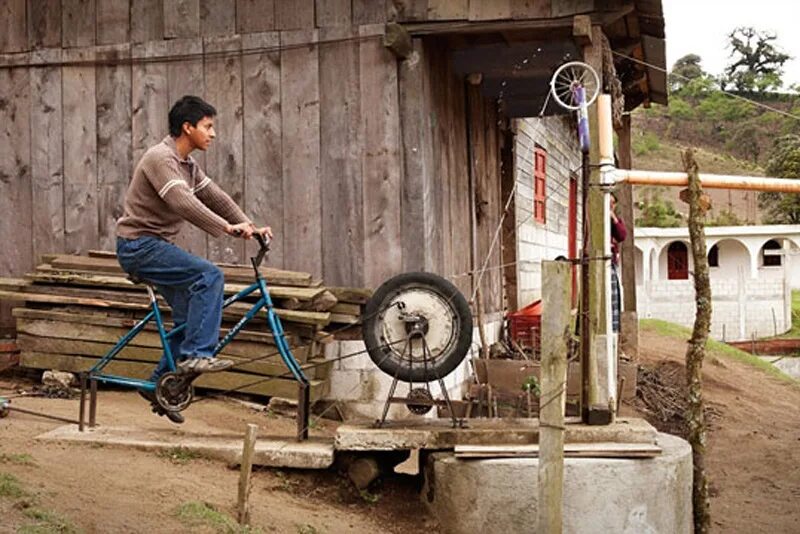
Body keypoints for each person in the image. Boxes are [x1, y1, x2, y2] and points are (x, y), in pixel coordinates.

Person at [115, 95, 271, 423]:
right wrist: (228, 228)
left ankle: (158, 383)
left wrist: (250, 227)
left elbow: (217, 197)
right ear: (188, 127)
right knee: (209, 277)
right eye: (208, 126)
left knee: (188, 319)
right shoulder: (161, 158)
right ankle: (199, 355)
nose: (213, 134)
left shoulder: (188, 165)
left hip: (154, 246)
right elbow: (182, 202)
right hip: (139, 247)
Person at [610, 192, 627, 334]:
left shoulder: (615, 221)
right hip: (598, 262)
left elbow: (622, 235)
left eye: (612, 203)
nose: (610, 206)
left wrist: (613, 218)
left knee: (614, 299)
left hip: (611, 262)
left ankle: (614, 329)